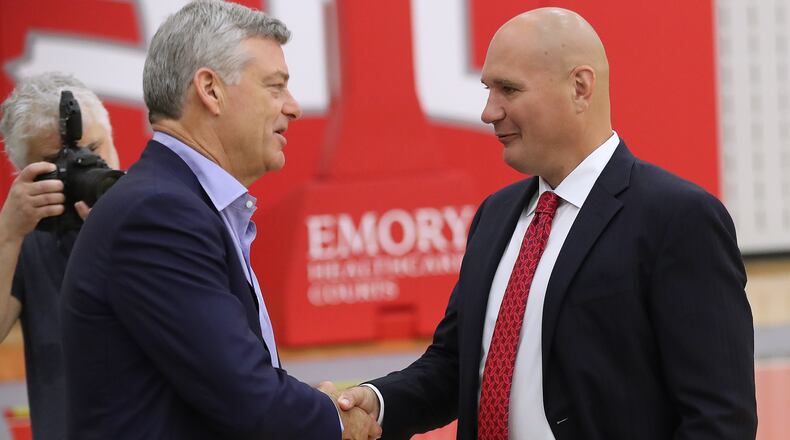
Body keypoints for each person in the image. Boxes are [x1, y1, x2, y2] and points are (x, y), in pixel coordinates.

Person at [337, 7, 757, 440]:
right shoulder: (494, 217)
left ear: (580, 87)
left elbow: (720, 420)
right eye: (487, 89)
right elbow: (455, 367)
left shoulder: (679, 219)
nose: (488, 111)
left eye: (508, 90)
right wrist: (379, 401)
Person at [59, 1, 380, 439]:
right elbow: (247, 396)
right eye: (275, 86)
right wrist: (334, 420)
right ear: (210, 90)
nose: (293, 106)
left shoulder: (178, 203)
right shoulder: (158, 215)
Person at [0, 72, 119, 440]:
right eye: (62, 162)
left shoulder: (158, 215)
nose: (88, 169)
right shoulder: (27, 237)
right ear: (26, 174)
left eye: (95, 150)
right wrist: (8, 234)